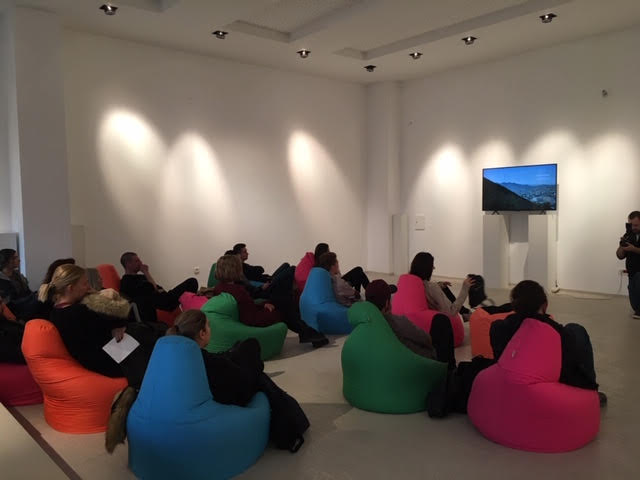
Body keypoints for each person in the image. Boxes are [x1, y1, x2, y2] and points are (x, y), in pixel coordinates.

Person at [166, 310, 310, 452]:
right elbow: (240, 379)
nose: (211, 329)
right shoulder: (208, 362)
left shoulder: (180, 356)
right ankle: (292, 425)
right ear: (202, 334)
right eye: (208, 326)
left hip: (217, 386)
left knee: (240, 349)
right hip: (232, 393)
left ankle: (292, 422)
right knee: (252, 348)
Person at [40, 264, 157, 388]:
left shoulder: (56, 311)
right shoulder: (79, 312)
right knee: (145, 337)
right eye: (85, 284)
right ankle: (147, 387)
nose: (88, 287)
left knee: (141, 333)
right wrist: (96, 295)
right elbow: (120, 313)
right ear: (71, 288)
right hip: (106, 362)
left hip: (98, 356)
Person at [490, 280, 605, 405]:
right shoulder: (557, 331)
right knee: (575, 329)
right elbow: (570, 369)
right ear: (545, 305)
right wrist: (589, 386)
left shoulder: (500, 327)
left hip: (511, 387)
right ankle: (591, 394)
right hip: (546, 393)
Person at [212, 254, 328, 347]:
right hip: (254, 319)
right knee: (284, 305)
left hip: (251, 313)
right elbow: (250, 315)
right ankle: (310, 334)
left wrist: (264, 304)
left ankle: (308, 334)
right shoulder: (237, 290)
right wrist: (264, 306)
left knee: (282, 301)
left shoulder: (220, 288)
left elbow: (245, 306)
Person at [365, 279, 456, 368]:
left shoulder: (364, 326)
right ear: (387, 303)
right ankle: (450, 372)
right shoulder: (398, 323)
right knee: (441, 322)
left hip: (387, 366)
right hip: (418, 366)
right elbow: (425, 339)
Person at [119, 252, 198, 324]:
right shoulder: (126, 281)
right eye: (137, 261)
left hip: (164, 297)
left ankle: (190, 312)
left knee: (192, 285)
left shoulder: (141, 277)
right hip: (161, 303)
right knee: (192, 282)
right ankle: (190, 317)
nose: (141, 263)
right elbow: (153, 288)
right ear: (128, 264)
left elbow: (157, 287)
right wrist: (146, 272)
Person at [409, 252, 475, 321]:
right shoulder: (432, 287)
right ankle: (465, 312)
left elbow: (426, 289)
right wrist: (465, 288)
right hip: (439, 321)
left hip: (420, 318)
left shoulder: (412, 283)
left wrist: (439, 285)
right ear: (426, 268)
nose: (434, 268)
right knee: (443, 290)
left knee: (444, 288)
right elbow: (451, 312)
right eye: (432, 265)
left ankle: (464, 312)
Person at [0, 249, 38, 319]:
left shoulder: (18, 275)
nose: (19, 260)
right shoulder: (2, 281)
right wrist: (34, 298)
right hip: (15, 314)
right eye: (15, 258)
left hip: (26, 307)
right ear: (6, 261)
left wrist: (36, 295)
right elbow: (10, 304)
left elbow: (27, 292)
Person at [616, 210, 640, 319]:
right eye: (631, 225)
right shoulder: (628, 235)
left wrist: (634, 249)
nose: (633, 227)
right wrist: (622, 245)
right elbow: (620, 255)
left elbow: (634, 250)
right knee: (634, 304)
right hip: (631, 272)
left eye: (636, 225)